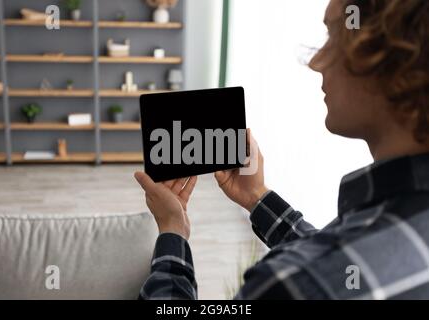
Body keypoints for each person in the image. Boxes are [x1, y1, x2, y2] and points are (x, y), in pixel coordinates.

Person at [134, 0, 429, 299]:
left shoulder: (292, 285)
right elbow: (343, 260)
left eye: (337, 37)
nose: (315, 62)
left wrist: (172, 230)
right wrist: (256, 197)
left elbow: (323, 269)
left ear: (401, 58)